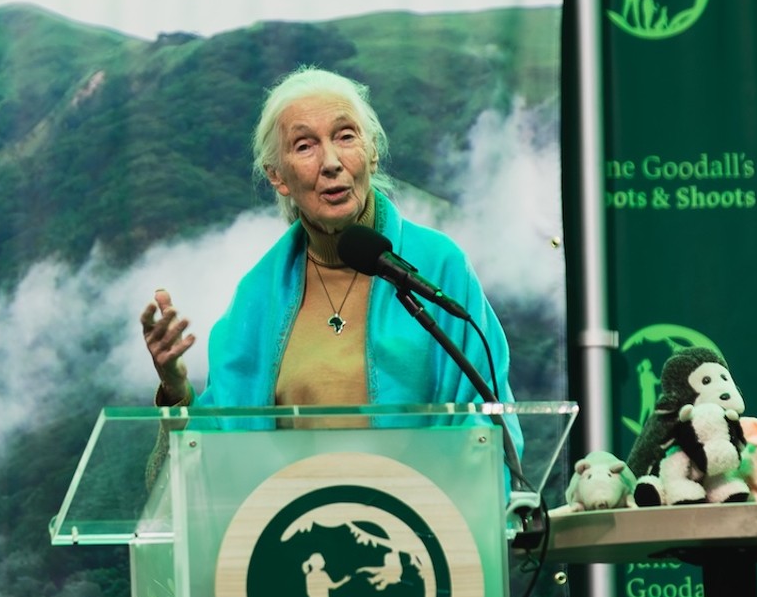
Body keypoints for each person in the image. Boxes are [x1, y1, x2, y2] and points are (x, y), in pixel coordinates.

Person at [139, 66, 522, 450]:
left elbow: (488, 427)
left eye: (345, 136)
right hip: (293, 510)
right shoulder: (257, 296)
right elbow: (216, 456)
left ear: (372, 153)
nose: (331, 162)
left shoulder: (438, 266)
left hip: (419, 507)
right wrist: (175, 390)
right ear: (278, 177)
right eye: (305, 145)